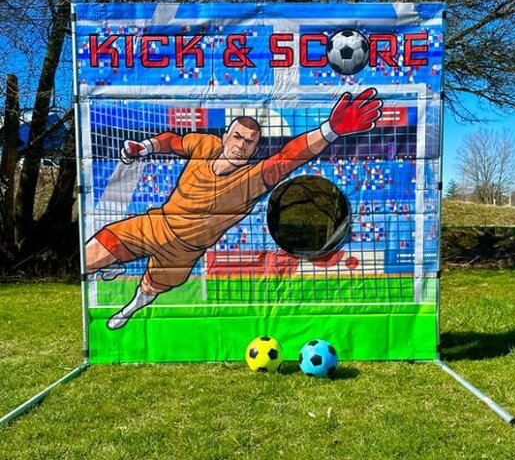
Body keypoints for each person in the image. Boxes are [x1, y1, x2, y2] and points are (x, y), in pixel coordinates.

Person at [86, 88, 383, 330]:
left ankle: (127, 310)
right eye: (238, 137)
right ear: (227, 136)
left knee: (150, 288)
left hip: (185, 251)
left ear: (255, 149)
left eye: (250, 142)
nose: (241, 145)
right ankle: (110, 263)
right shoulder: (205, 146)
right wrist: (146, 147)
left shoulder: (253, 180)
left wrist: (331, 130)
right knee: (89, 258)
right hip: (155, 225)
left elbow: (290, 154)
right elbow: (173, 142)